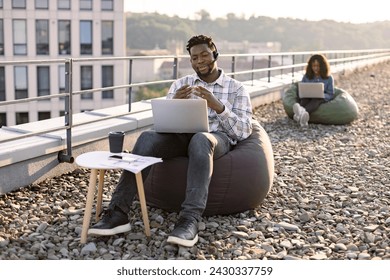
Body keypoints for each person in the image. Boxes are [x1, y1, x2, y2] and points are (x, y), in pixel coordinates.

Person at [88, 35, 253, 247]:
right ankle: (118, 212)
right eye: (194, 58)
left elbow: (244, 131)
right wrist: (174, 103)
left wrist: (218, 106)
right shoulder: (181, 84)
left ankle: (189, 220)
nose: (200, 61)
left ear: (215, 54)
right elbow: (163, 124)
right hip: (181, 136)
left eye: (204, 55)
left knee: (201, 140)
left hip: (215, 138)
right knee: (147, 136)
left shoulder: (236, 88)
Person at [293, 54, 334, 127]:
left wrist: (321, 94)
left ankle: (300, 114)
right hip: (307, 97)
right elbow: (302, 89)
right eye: (313, 66)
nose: (315, 68)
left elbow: (331, 94)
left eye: (318, 66)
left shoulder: (329, 78)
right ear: (310, 66)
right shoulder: (307, 76)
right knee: (304, 99)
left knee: (316, 99)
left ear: (322, 66)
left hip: (320, 98)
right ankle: (302, 117)